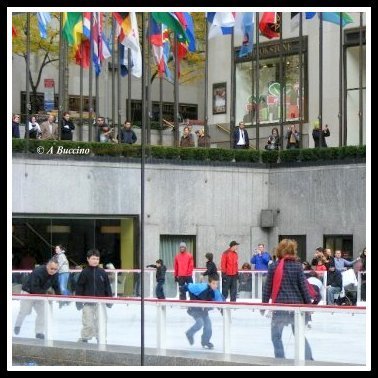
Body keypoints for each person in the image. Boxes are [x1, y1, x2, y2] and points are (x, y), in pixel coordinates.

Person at [262, 239, 313, 360]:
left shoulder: (274, 266)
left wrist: (263, 305)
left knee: (276, 336)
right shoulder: (297, 266)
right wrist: (309, 307)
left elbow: (267, 288)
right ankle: (309, 360)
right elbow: (304, 288)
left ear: (279, 250)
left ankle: (280, 360)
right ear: (292, 251)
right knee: (299, 336)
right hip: (296, 308)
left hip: (280, 307)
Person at [14, 257, 61, 339]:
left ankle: (39, 332)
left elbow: (56, 286)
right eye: (51, 268)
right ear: (47, 266)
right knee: (25, 311)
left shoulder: (55, 274)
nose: (53, 271)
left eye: (55, 269)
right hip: (28, 292)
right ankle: (18, 324)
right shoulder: (38, 271)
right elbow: (34, 287)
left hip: (41, 294)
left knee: (43, 313)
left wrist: (59, 296)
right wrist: (46, 294)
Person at [75, 249, 113, 343]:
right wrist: (78, 302)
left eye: (97, 259)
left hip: (100, 303)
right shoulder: (84, 272)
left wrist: (109, 300)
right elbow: (79, 287)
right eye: (93, 258)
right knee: (88, 322)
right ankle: (85, 338)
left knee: (101, 321)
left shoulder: (102, 272)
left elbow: (107, 287)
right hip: (88, 303)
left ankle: (101, 337)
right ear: (88, 259)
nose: (95, 260)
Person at [184, 275, 224, 349]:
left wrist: (222, 311)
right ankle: (189, 333)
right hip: (194, 309)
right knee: (200, 323)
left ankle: (205, 341)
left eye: (216, 283)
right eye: (213, 283)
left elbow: (220, 302)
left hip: (203, 311)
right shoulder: (201, 287)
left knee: (208, 326)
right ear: (209, 283)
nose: (215, 285)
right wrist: (183, 289)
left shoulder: (215, 292)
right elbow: (189, 286)